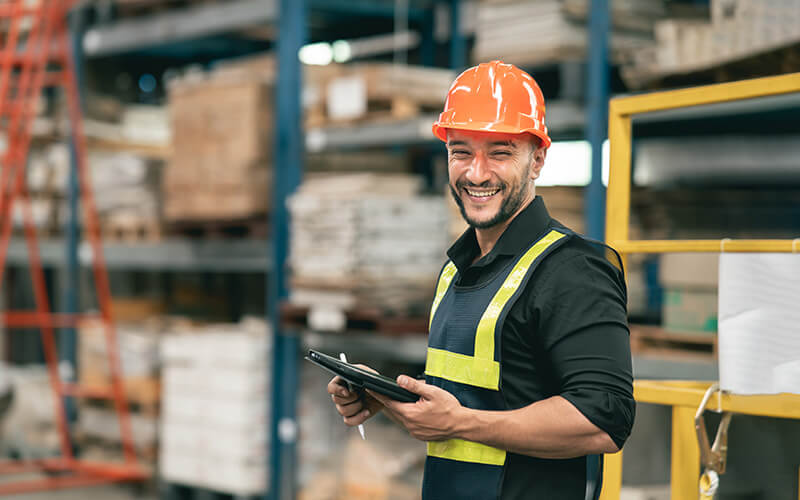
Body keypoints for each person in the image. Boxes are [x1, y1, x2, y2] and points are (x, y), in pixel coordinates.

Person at [327, 60, 635, 500]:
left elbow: (606, 419)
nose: (476, 172)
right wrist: (387, 398)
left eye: (500, 152)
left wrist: (460, 423)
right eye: (461, 151)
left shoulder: (573, 269)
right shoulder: (457, 268)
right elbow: (476, 391)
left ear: (538, 160)